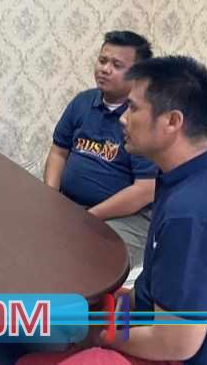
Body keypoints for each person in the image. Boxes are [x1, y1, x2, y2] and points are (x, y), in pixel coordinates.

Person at [19, 56, 207, 364]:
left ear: (172, 122)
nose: (123, 119)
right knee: (76, 317)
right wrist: (108, 316)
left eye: (133, 108)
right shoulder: (199, 171)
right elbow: (153, 291)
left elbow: (175, 344)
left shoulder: (193, 213)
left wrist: (104, 336)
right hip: (153, 319)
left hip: (181, 353)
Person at [43, 31, 157, 268]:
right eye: (102, 60)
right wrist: (50, 198)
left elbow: (144, 190)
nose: (105, 69)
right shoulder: (83, 102)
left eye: (117, 65)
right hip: (72, 205)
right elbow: (58, 152)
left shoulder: (144, 117)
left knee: (85, 256)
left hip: (124, 217)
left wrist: (89, 217)